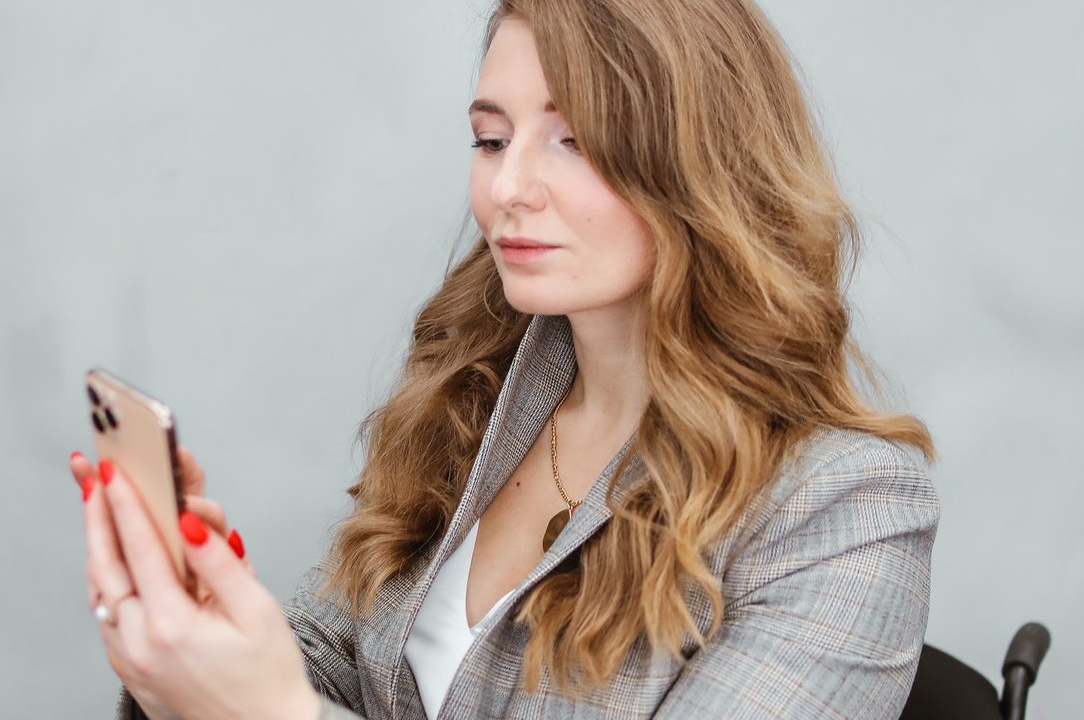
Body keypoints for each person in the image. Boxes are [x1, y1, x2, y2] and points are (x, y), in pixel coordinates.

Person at [69, 1, 940, 717]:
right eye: (491, 139)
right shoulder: (471, 400)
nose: (508, 187)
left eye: (575, 141)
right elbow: (331, 662)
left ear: (701, 167)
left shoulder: (846, 510)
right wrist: (210, 640)